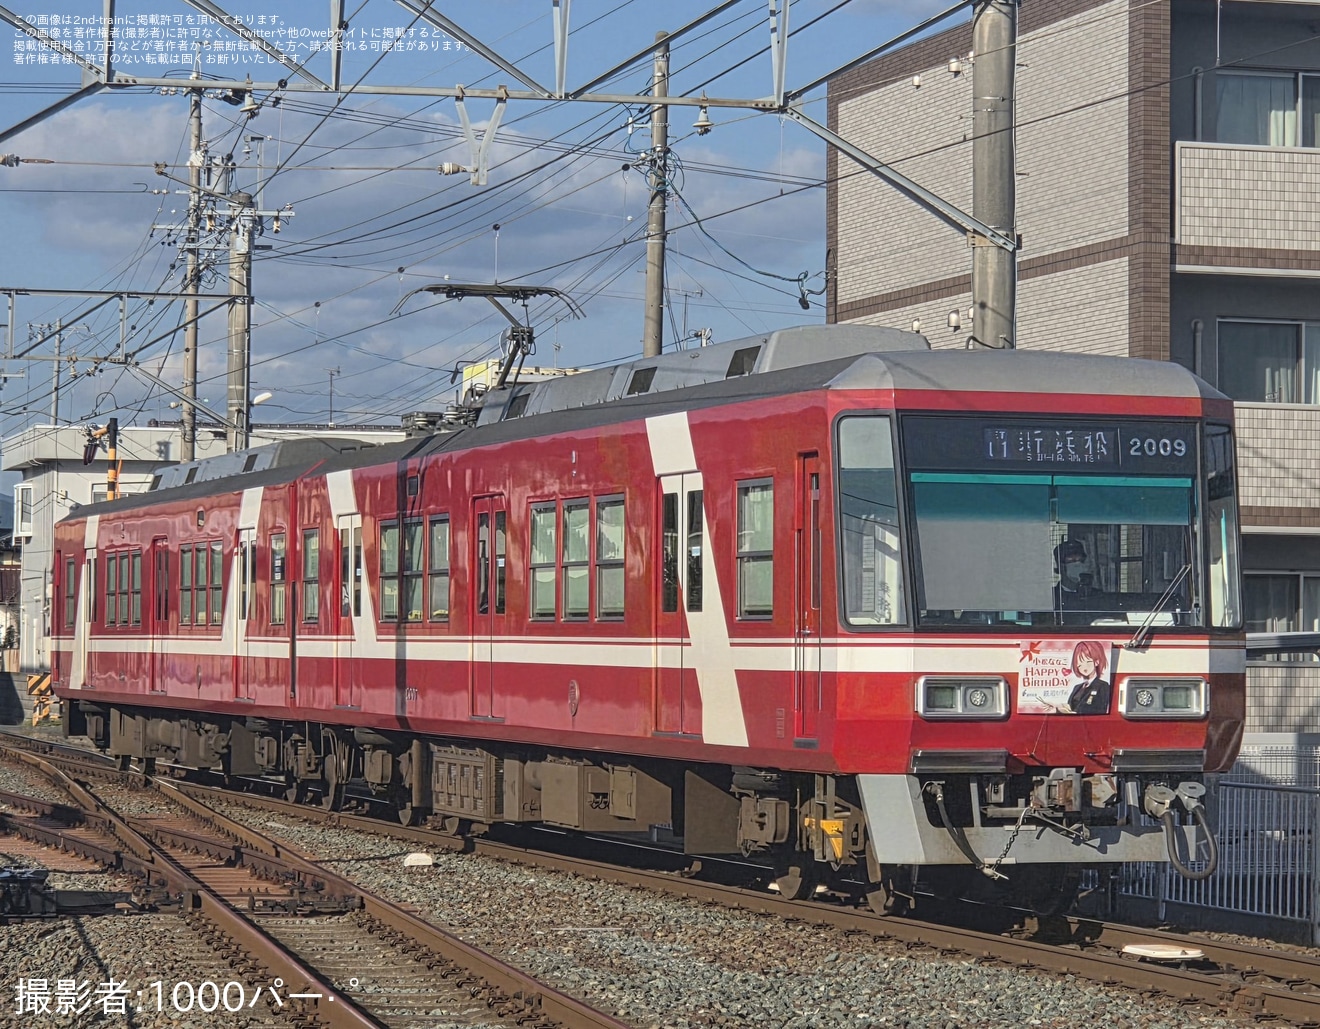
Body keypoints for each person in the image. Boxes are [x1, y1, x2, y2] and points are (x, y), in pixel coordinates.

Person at [1063, 639, 1111, 714]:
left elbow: (1101, 710)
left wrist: (1075, 713)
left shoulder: (1103, 686)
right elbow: (1070, 706)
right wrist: (1058, 708)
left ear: (1096, 662)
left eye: (1088, 662)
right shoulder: (1077, 687)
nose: (1084, 667)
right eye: (1080, 664)